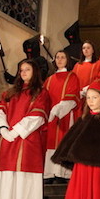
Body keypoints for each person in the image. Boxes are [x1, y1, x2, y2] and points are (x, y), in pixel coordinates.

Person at [0, 60, 51, 199]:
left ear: (35, 72)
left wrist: (15, 131)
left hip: (27, 138)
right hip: (9, 139)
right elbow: (0, 110)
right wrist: (3, 129)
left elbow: (38, 115)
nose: (23, 73)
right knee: (9, 175)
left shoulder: (41, 93)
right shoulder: (9, 93)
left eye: (27, 69)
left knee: (25, 176)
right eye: (21, 70)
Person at [43, 51, 80, 184]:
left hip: (65, 114)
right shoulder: (49, 79)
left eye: (63, 57)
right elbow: (43, 98)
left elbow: (72, 96)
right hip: (50, 117)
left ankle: (62, 173)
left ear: (67, 60)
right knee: (50, 142)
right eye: (57, 57)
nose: (59, 60)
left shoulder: (72, 76)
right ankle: (49, 172)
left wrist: (58, 110)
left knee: (62, 140)